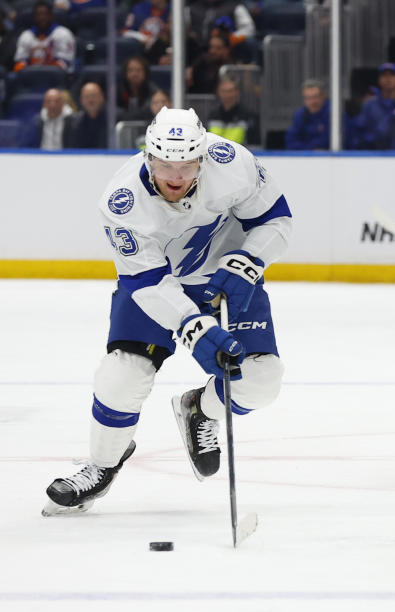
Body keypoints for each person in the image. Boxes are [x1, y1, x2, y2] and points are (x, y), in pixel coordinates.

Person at [42, 107, 292, 516]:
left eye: (187, 165)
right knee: (122, 376)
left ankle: (200, 410)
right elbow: (145, 282)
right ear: (148, 157)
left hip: (227, 279)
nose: (176, 177)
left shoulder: (234, 163)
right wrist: (192, 326)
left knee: (262, 381)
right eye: (165, 165)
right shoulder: (122, 202)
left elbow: (277, 221)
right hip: (157, 286)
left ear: (203, 158)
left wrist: (248, 260)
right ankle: (103, 465)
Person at [12, 0, 75, 72]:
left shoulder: (63, 34)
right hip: (31, 78)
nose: (42, 17)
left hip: (56, 78)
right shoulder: (26, 36)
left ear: (51, 16)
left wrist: (44, 71)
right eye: (39, 14)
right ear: (34, 17)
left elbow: (65, 63)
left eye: (45, 14)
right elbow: (20, 61)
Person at [351, 62, 395, 149]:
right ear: (379, 80)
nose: (388, 79)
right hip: (376, 154)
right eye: (384, 75)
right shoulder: (370, 105)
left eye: (392, 75)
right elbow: (361, 134)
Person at [285, 78, 335, 150]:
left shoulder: (334, 114)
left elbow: (328, 141)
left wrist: (305, 147)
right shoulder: (300, 115)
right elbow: (291, 142)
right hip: (305, 158)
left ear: (323, 96)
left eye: (315, 97)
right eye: (307, 98)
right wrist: (310, 150)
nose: (312, 102)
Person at [208, 76, 259, 146]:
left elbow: (255, 144)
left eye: (230, 91)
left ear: (237, 92)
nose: (227, 95)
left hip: (241, 154)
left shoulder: (248, 115)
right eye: (224, 91)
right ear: (218, 92)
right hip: (216, 154)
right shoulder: (212, 116)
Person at [186, 30, 231, 94]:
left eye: (218, 48)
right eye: (211, 47)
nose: (212, 51)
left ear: (227, 50)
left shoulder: (232, 68)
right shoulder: (201, 64)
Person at [64, 81, 106, 148]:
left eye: (94, 96)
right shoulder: (73, 123)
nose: (90, 100)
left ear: (101, 97)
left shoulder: (115, 119)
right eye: (87, 97)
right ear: (81, 100)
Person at [117, 55, 158, 121]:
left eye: (138, 70)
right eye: (130, 70)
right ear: (125, 73)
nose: (134, 74)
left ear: (145, 73)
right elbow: (114, 111)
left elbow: (150, 111)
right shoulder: (118, 90)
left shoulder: (153, 91)